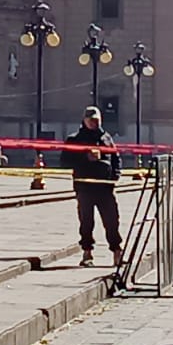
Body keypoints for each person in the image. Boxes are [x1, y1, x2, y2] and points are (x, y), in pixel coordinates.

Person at [62, 107, 121, 267]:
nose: (94, 123)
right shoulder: (75, 139)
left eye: (96, 120)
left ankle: (116, 251)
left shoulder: (106, 138)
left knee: (112, 220)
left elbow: (115, 157)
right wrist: (85, 157)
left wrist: (115, 175)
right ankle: (87, 252)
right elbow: (65, 161)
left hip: (104, 187)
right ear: (84, 120)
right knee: (86, 221)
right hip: (85, 187)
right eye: (91, 120)